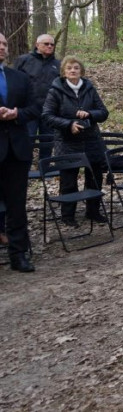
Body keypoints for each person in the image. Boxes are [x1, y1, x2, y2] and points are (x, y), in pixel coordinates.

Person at [42, 55, 110, 227]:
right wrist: (68, 124)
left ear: (81, 71)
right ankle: (68, 215)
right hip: (67, 142)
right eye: (69, 68)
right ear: (64, 72)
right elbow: (47, 116)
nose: (73, 70)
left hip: (91, 140)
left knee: (94, 177)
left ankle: (93, 211)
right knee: (68, 180)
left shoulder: (89, 88)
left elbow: (103, 112)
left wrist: (90, 114)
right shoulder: (55, 91)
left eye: (76, 68)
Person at [0, 32, 40, 272]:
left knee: (16, 207)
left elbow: (35, 107)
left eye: (4, 43)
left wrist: (17, 114)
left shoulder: (19, 77)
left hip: (16, 151)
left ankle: (18, 255)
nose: (3, 48)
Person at [14, 33, 61, 154]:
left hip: (49, 110)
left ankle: (45, 169)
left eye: (52, 44)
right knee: (27, 139)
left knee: (48, 141)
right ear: (37, 45)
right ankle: (24, 169)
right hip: (28, 108)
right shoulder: (23, 60)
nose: (50, 46)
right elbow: (14, 82)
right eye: (46, 44)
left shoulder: (58, 64)